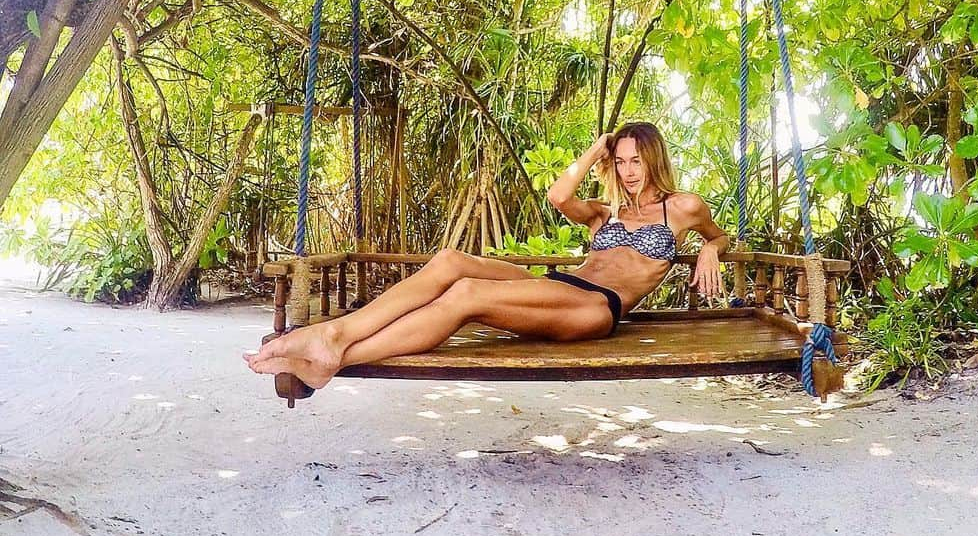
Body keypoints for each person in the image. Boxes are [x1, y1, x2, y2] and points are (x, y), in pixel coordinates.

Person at [244, 121, 729, 391]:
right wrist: (593, 149)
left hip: (597, 307)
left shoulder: (681, 207)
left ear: (654, 158)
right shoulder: (606, 213)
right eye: (619, 160)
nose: (626, 170)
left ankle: (336, 353)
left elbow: (720, 236)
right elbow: (560, 196)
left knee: (468, 294)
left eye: (634, 159)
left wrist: (710, 247)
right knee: (452, 260)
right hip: (566, 285)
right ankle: (332, 338)